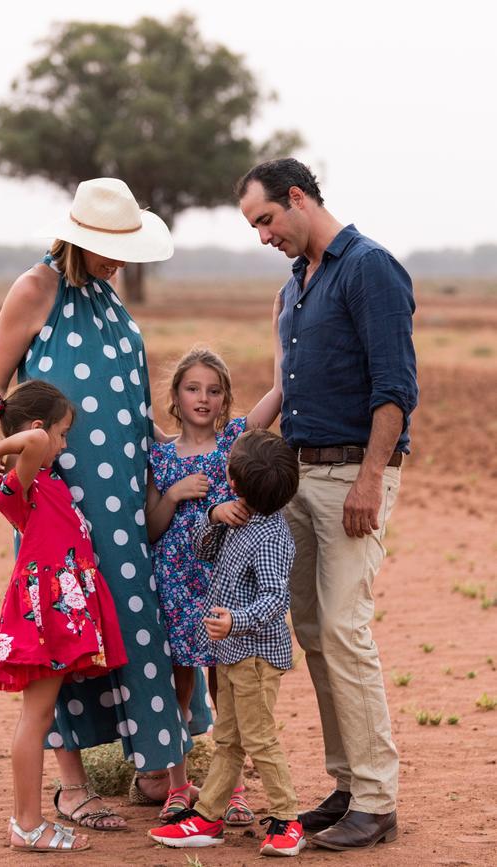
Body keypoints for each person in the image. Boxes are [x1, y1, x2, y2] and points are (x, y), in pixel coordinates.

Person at [0, 177, 212, 831]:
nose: (119, 258)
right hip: (61, 507)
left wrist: (187, 448)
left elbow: (128, 411)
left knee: (133, 618)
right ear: (79, 239)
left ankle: (155, 763)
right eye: (110, 247)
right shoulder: (37, 290)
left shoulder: (105, 297)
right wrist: (29, 472)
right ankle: (71, 785)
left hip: (124, 501)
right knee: (63, 629)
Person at [236, 158, 418, 851]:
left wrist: (372, 477)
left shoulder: (369, 267)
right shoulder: (298, 283)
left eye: (266, 219)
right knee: (312, 629)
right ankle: (347, 786)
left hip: (354, 478)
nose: (263, 235)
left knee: (344, 628)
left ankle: (378, 799)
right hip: (301, 477)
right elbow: (292, 384)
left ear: (298, 198)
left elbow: (395, 386)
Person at [0, 380, 128, 853]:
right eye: (63, 434)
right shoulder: (19, 483)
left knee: (37, 717)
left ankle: (28, 822)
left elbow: (36, 441)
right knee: (35, 719)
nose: (62, 445)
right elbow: (34, 442)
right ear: (38, 429)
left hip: (58, 613)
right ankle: (27, 825)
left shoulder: (44, 482)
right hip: (46, 615)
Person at [148, 429, 305, 857]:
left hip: (255, 656)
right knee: (229, 738)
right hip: (232, 653)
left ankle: (287, 819)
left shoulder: (271, 536)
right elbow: (204, 552)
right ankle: (209, 815)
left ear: (233, 480)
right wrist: (213, 516)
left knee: (259, 738)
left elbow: (275, 599)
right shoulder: (241, 517)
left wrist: (236, 619)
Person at [146, 341, 282, 823]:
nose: (203, 398)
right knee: (179, 686)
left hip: (226, 586)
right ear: (176, 397)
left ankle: (234, 787)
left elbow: (278, 394)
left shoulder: (236, 443)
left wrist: (282, 330)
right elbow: (152, 526)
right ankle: (178, 786)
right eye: (192, 388)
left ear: (226, 399)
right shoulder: (160, 454)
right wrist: (177, 493)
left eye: (214, 390)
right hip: (179, 585)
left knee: (228, 686)